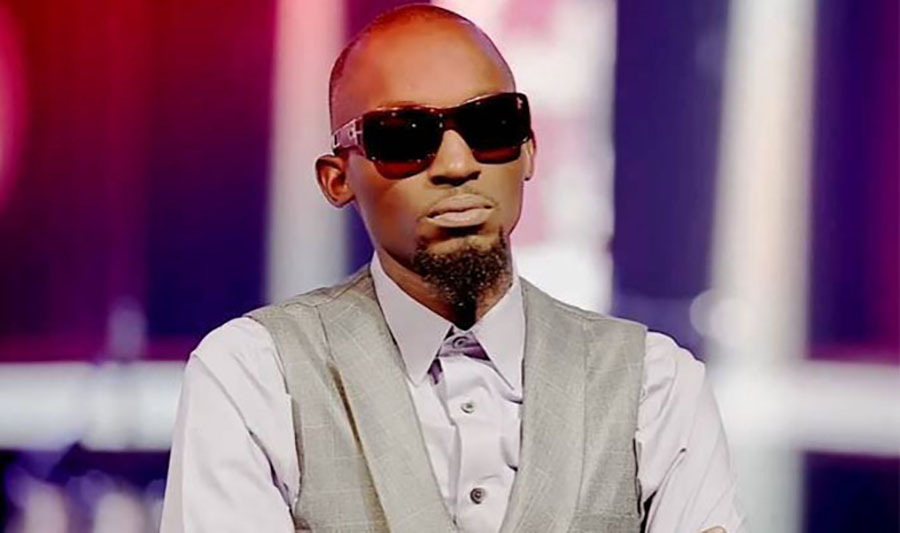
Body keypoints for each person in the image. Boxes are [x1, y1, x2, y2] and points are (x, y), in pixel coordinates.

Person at [161, 5, 744, 532]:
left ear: (529, 150)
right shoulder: (256, 376)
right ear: (338, 179)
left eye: (492, 125)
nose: (458, 164)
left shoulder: (654, 385)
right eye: (404, 136)